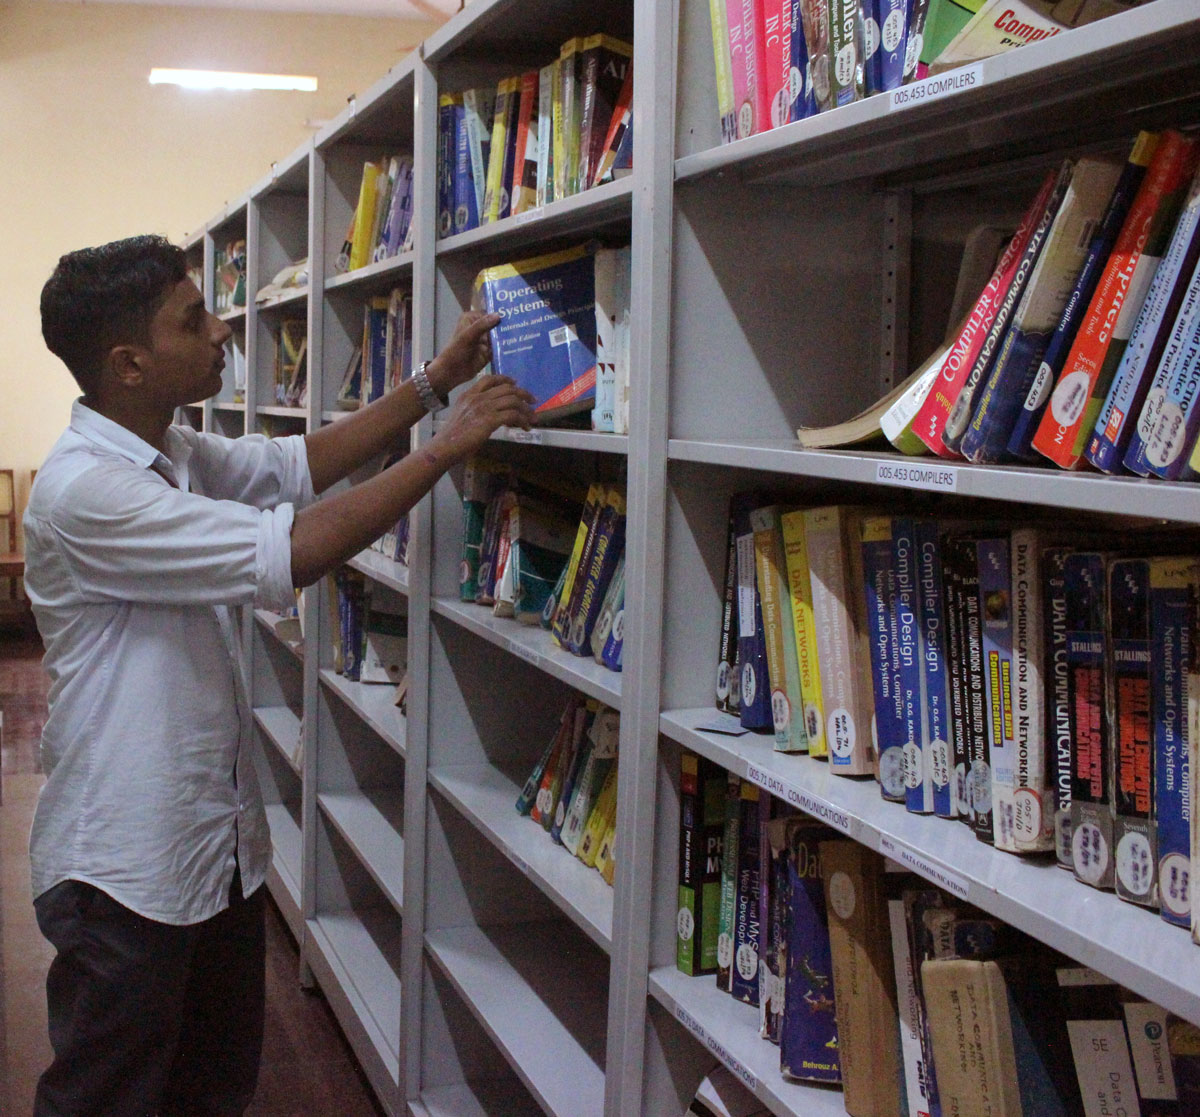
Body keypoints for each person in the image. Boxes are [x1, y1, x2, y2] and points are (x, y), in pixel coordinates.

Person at [25, 233, 533, 1116]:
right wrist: (444, 449)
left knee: (212, 1087)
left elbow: (298, 468)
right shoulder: (86, 490)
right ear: (129, 363)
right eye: (195, 319)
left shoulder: (172, 449)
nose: (223, 328)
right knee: (107, 1098)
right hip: (125, 867)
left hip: (211, 850)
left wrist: (432, 381)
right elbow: (293, 549)